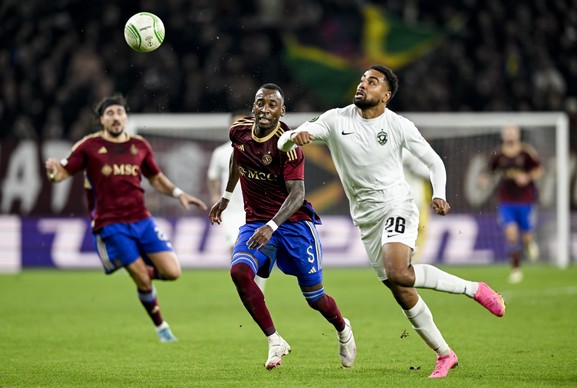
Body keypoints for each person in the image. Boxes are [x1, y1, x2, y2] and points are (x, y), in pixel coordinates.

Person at [278, 65, 506, 379]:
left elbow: (433, 161)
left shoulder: (399, 125)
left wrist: (438, 193)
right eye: (361, 80)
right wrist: (293, 139)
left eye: (372, 82)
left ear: (385, 95)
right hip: (365, 220)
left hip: (397, 204)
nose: (363, 85)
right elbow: (283, 141)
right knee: (400, 287)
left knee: (399, 271)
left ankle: (474, 288)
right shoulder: (335, 119)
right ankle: (445, 354)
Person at [208, 83, 356, 370]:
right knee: (239, 271)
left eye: (272, 104)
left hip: (293, 226)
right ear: (253, 107)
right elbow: (236, 158)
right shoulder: (238, 132)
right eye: (260, 103)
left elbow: (298, 194)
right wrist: (225, 199)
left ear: (282, 111)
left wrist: (272, 226)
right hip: (256, 224)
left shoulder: (287, 147)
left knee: (315, 298)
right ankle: (275, 340)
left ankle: (342, 328)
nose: (265, 108)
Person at [45, 94, 208, 342]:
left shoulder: (140, 145)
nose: (115, 117)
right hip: (110, 223)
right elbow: (61, 174)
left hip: (142, 219)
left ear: (125, 117)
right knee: (142, 277)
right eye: (109, 114)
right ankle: (161, 327)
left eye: (119, 113)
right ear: (101, 119)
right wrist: (52, 173)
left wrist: (178, 194)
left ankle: (137, 268)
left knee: (173, 272)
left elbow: (155, 178)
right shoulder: (88, 146)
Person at [207, 111, 268, 292]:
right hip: (231, 210)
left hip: (255, 210)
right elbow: (213, 178)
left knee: (257, 249)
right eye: (237, 124)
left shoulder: (262, 149)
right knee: (236, 248)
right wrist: (214, 195)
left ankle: (257, 288)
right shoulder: (221, 152)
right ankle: (247, 283)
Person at [480, 124, 543, 283]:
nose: (509, 135)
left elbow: (539, 170)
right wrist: (485, 179)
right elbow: (489, 170)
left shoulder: (526, 152)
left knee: (526, 236)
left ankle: (529, 244)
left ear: (517, 134)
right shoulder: (498, 154)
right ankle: (516, 269)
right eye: (507, 132)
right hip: (506, 200)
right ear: (503, 135)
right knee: (511, 234)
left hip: (525, 200)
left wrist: (527, 177)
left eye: (512, 132)